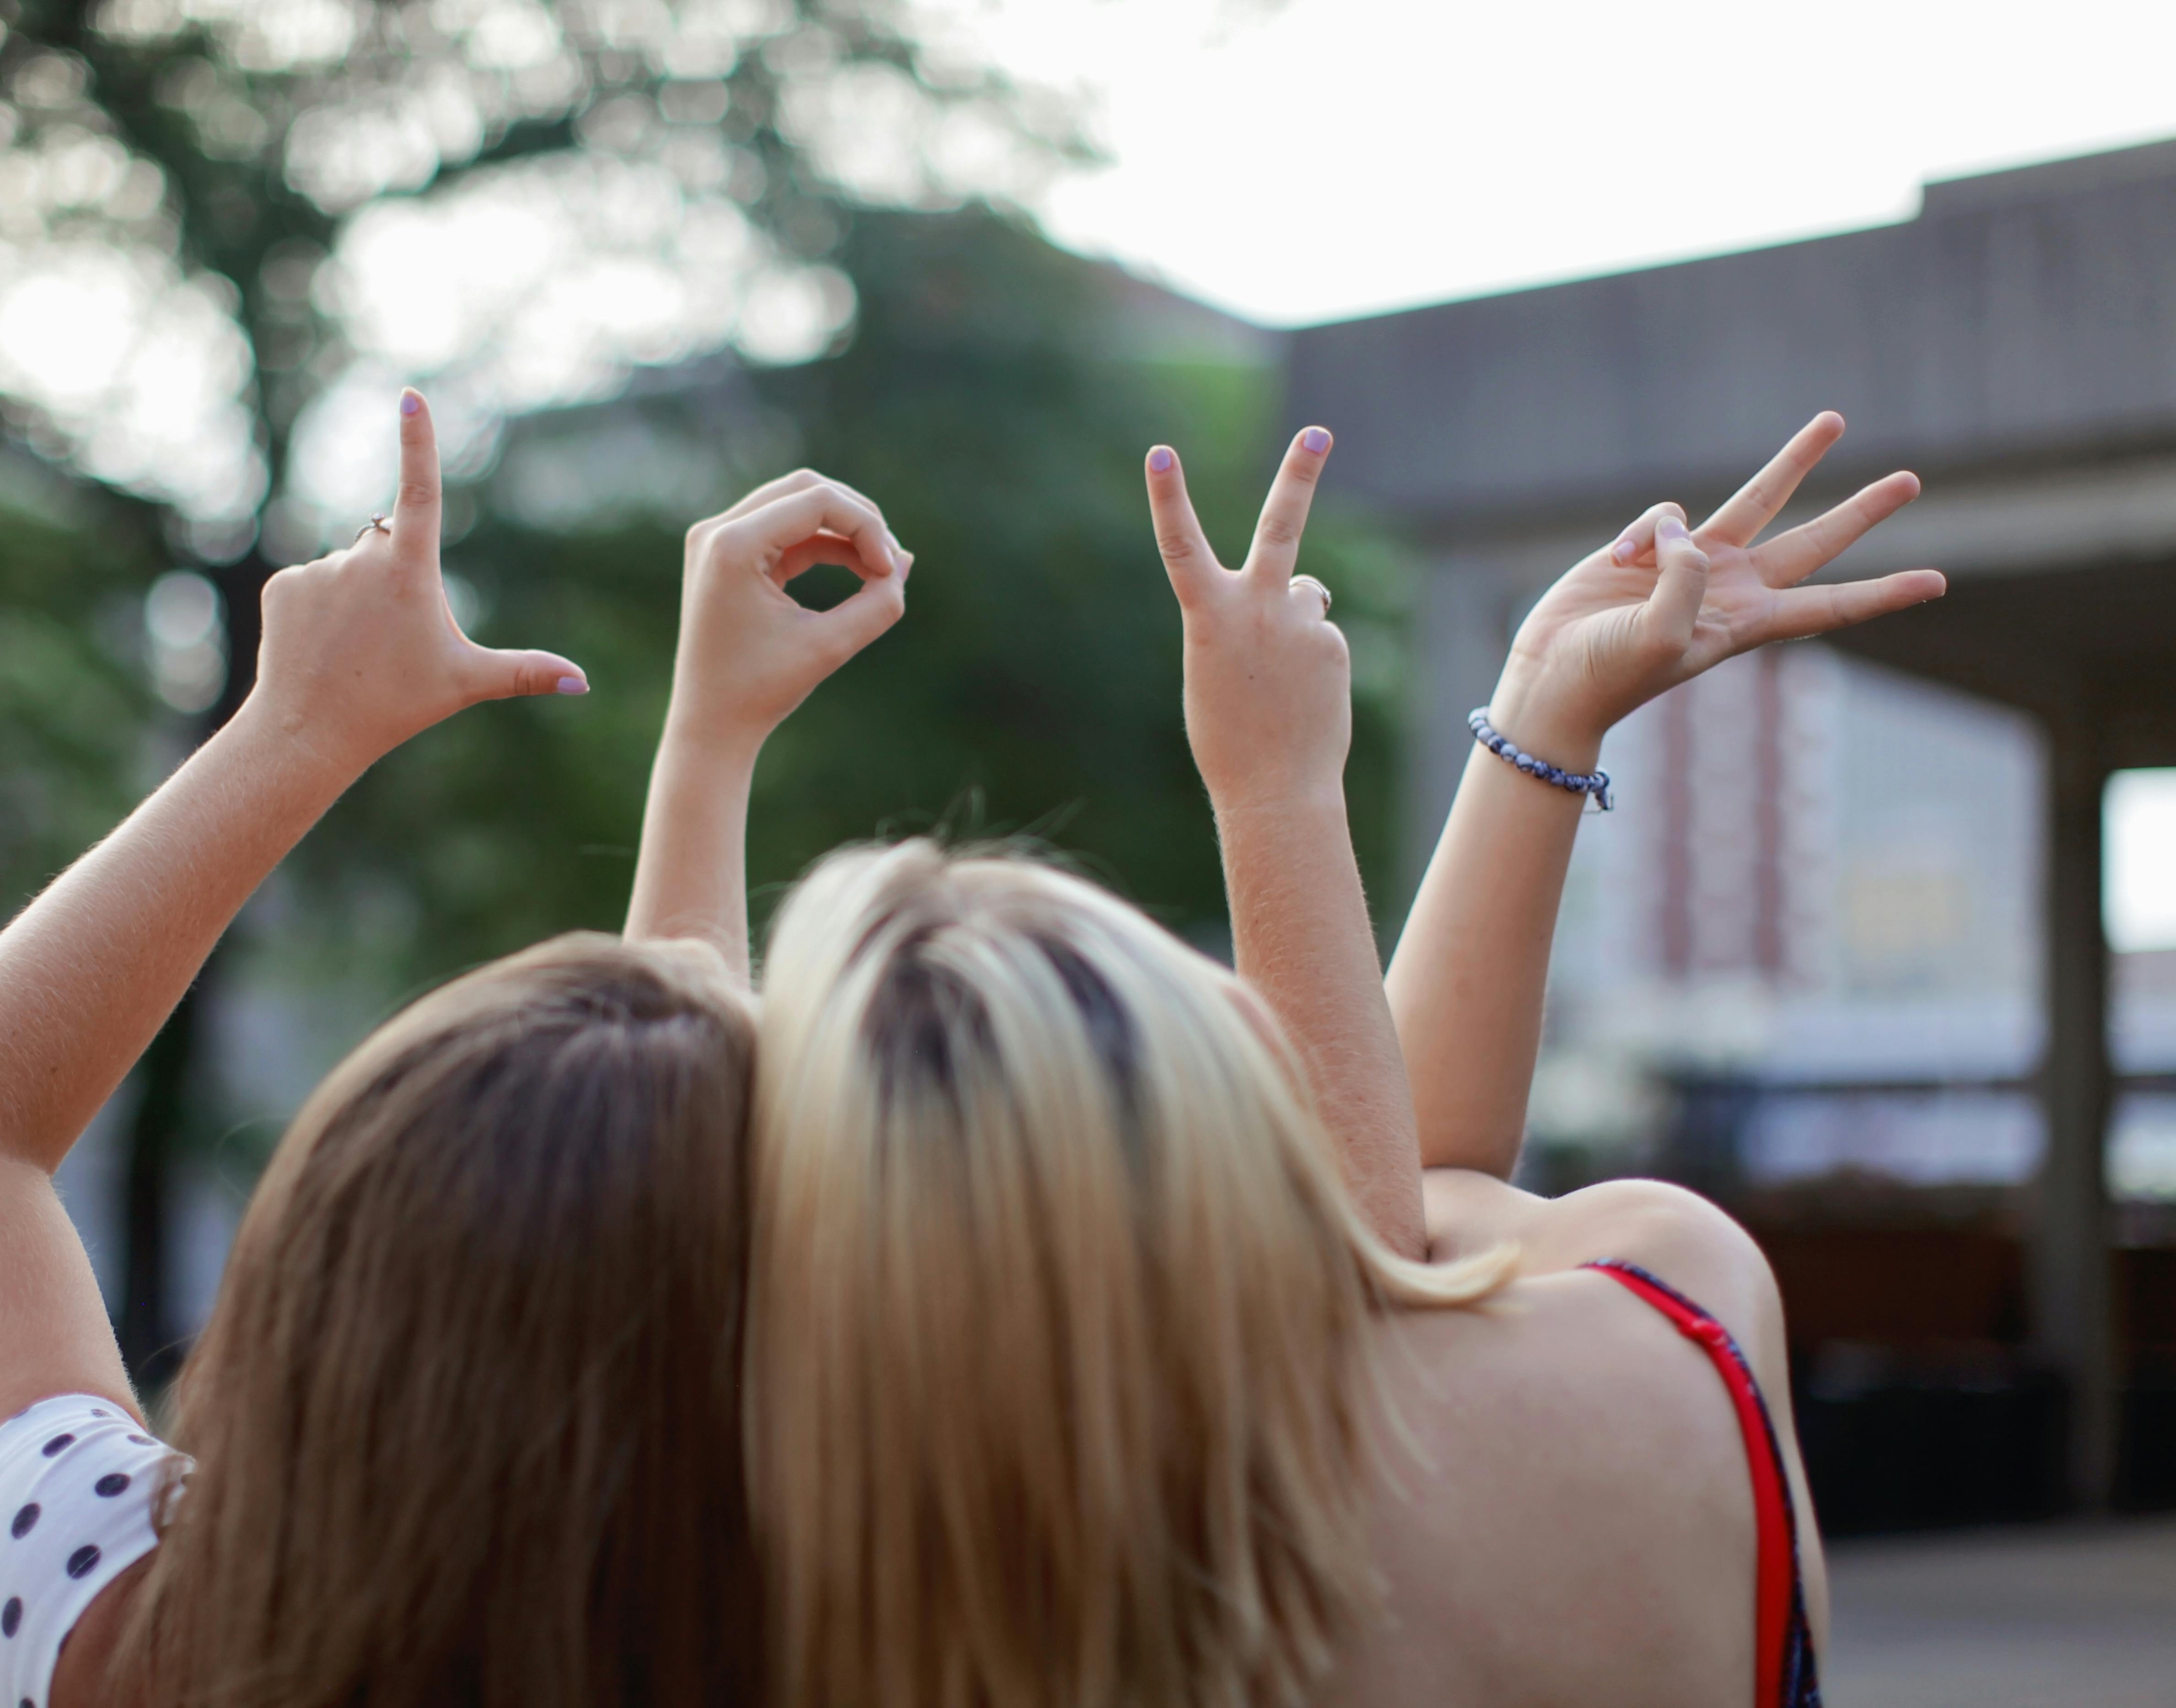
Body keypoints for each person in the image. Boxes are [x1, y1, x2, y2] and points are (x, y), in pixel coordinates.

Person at [737, 415, 1939, 1707]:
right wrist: (1289, 787)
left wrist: (706, 746)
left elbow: (1382, 1242)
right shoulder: (1674, 1321)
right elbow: (1395, 1236)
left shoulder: (832, 1600)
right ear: (1211, 1118)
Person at [0, 389, 910, 1708]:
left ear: (306, 1295)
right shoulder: (876, 1644)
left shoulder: (111, 1634)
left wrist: (297, 724)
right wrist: (709, 744)